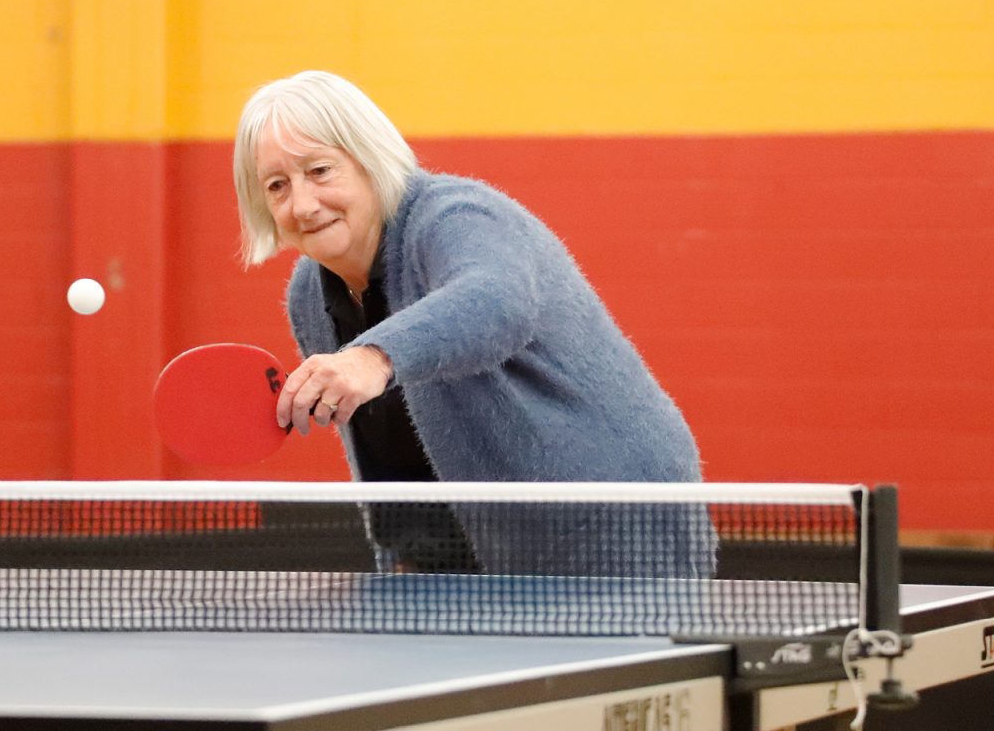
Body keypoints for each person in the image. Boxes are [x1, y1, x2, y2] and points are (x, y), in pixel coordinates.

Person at [232, 70, 712, 577]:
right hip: (461, 560)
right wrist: (407, 557)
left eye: (321, 171)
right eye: (277, 186)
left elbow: (497, 301)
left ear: (369, 160)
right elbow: (389, 448)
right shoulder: (311, 293)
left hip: (611, 532)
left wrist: (372, 358)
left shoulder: (455, 217)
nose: (302, 204)